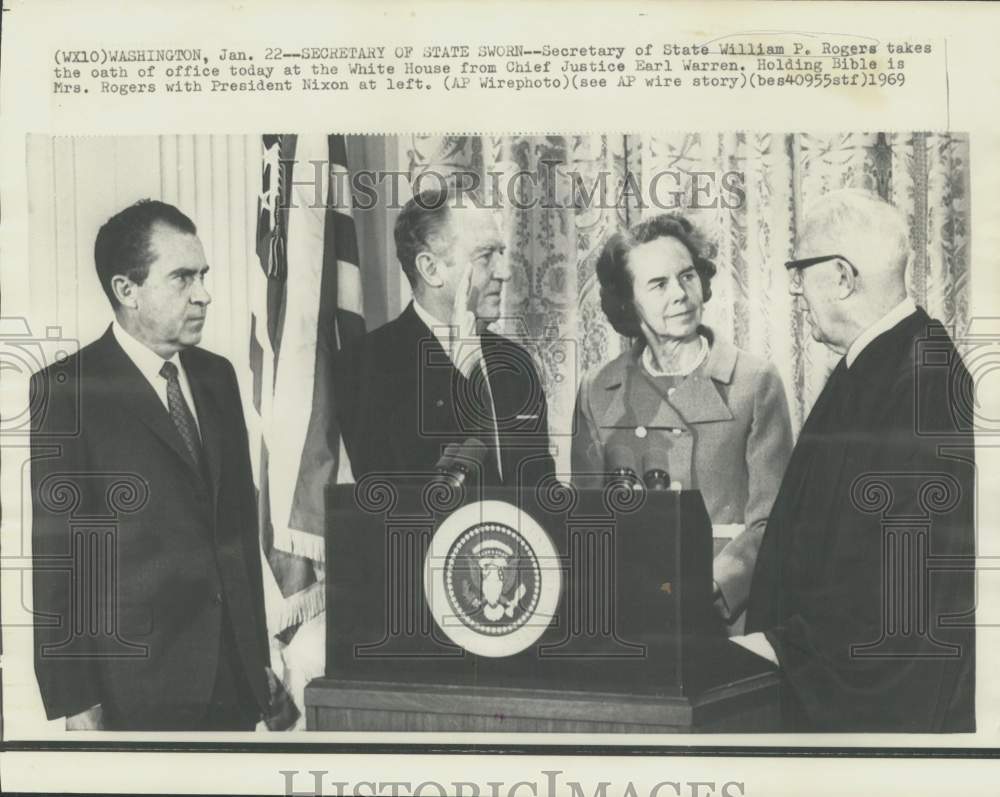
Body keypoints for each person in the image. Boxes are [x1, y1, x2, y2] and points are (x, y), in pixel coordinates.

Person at [738, 189, 976, 731]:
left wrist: (779, 647)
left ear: (842, 277)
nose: (797, 288)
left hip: (866, 700)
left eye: (801, 268)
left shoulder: (922, 385)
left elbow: (898, 588)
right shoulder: (883, 362)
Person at [31, 200, 273, 731]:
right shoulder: (67, 391)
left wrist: (258, 661)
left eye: (203, 275)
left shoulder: (218, 377)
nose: (204, 294)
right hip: (135, 696)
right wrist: (77, 703)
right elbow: (60, 564)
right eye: (182, 278)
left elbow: (235, 530)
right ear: (127, 290)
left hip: (233, 684)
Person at [572, 213, 793, 629]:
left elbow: (774, 521)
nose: (681, 294)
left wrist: (708, 586)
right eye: (658, 284)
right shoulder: (597, 390)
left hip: (729, 618)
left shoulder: (754, 381)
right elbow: (586, 521)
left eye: (687, 276)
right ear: (627, 300)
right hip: (630, 617)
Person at [340, 185, 555, 487]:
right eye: (485, 256)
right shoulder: (368, 365)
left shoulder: (516, 364)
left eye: (501, 253)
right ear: (431, 269)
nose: (505, 272)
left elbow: (542, 492)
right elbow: (397, 496)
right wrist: (458, 378)